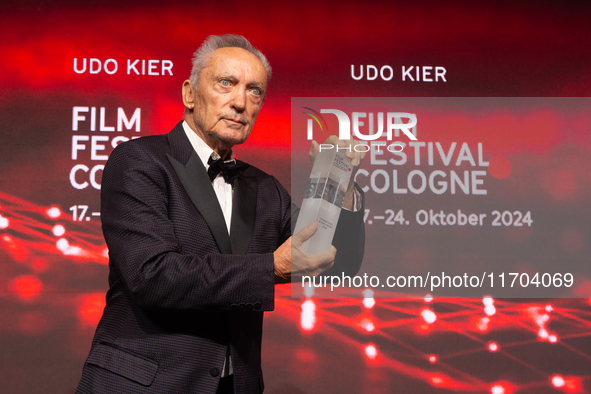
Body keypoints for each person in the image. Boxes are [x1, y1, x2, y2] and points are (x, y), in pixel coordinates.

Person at [76, 34, 365, 394]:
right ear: (190, 94)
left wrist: (339, 182)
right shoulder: (139, 161)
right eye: (226, 83)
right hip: (144, 384)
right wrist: (269, 267)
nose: (241, 102)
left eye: (254, 90)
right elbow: (153, 276)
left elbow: (339, 259)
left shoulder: (265, 188)